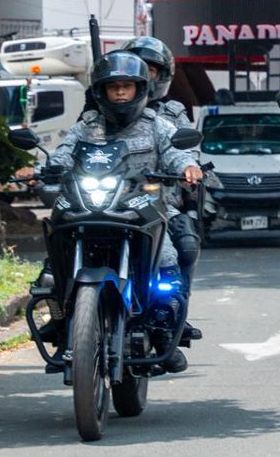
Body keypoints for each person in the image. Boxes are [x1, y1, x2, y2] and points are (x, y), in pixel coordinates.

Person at [16, 52, 203, 372]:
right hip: (90, 203)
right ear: (101, 91)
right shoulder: (86, 126)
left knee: (169, 259)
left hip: (143, 204)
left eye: (127, 87)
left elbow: (175, 152)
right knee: (51, 269)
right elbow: (62, 155)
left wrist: (188, 167)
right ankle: (63, 327)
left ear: (139, 89)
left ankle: (161, 331)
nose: (120, 93)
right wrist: (38, 170)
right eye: (113, 87)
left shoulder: (155, 124)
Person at [118, 37, 203, 347]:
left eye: (149, 69)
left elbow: (186, 150)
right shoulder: (97, 114)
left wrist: (188, 167)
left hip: (160, 204)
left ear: (162, 75)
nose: (141, 75)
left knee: (186, 244)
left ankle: (172, 319)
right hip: (103, 202)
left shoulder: (170, 113)